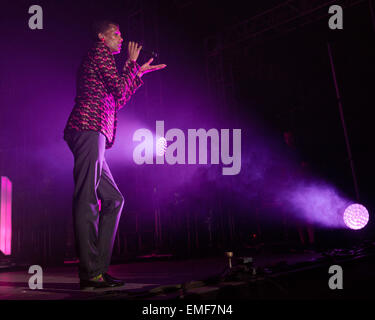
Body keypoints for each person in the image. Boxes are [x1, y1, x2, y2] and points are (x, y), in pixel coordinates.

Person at [63, 20, 166, 289]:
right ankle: (89, 274)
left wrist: (137, 73)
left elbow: (116, 99)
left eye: (121, 35)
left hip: (95, 132)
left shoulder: (104, 61)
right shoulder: (100, 52)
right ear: (101, 36)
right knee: (87, 198)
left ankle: (98, 268)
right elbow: (118, 89)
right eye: (115, 34)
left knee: (114, 200)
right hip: (88, 128)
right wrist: (131, 64)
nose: (121, 39)